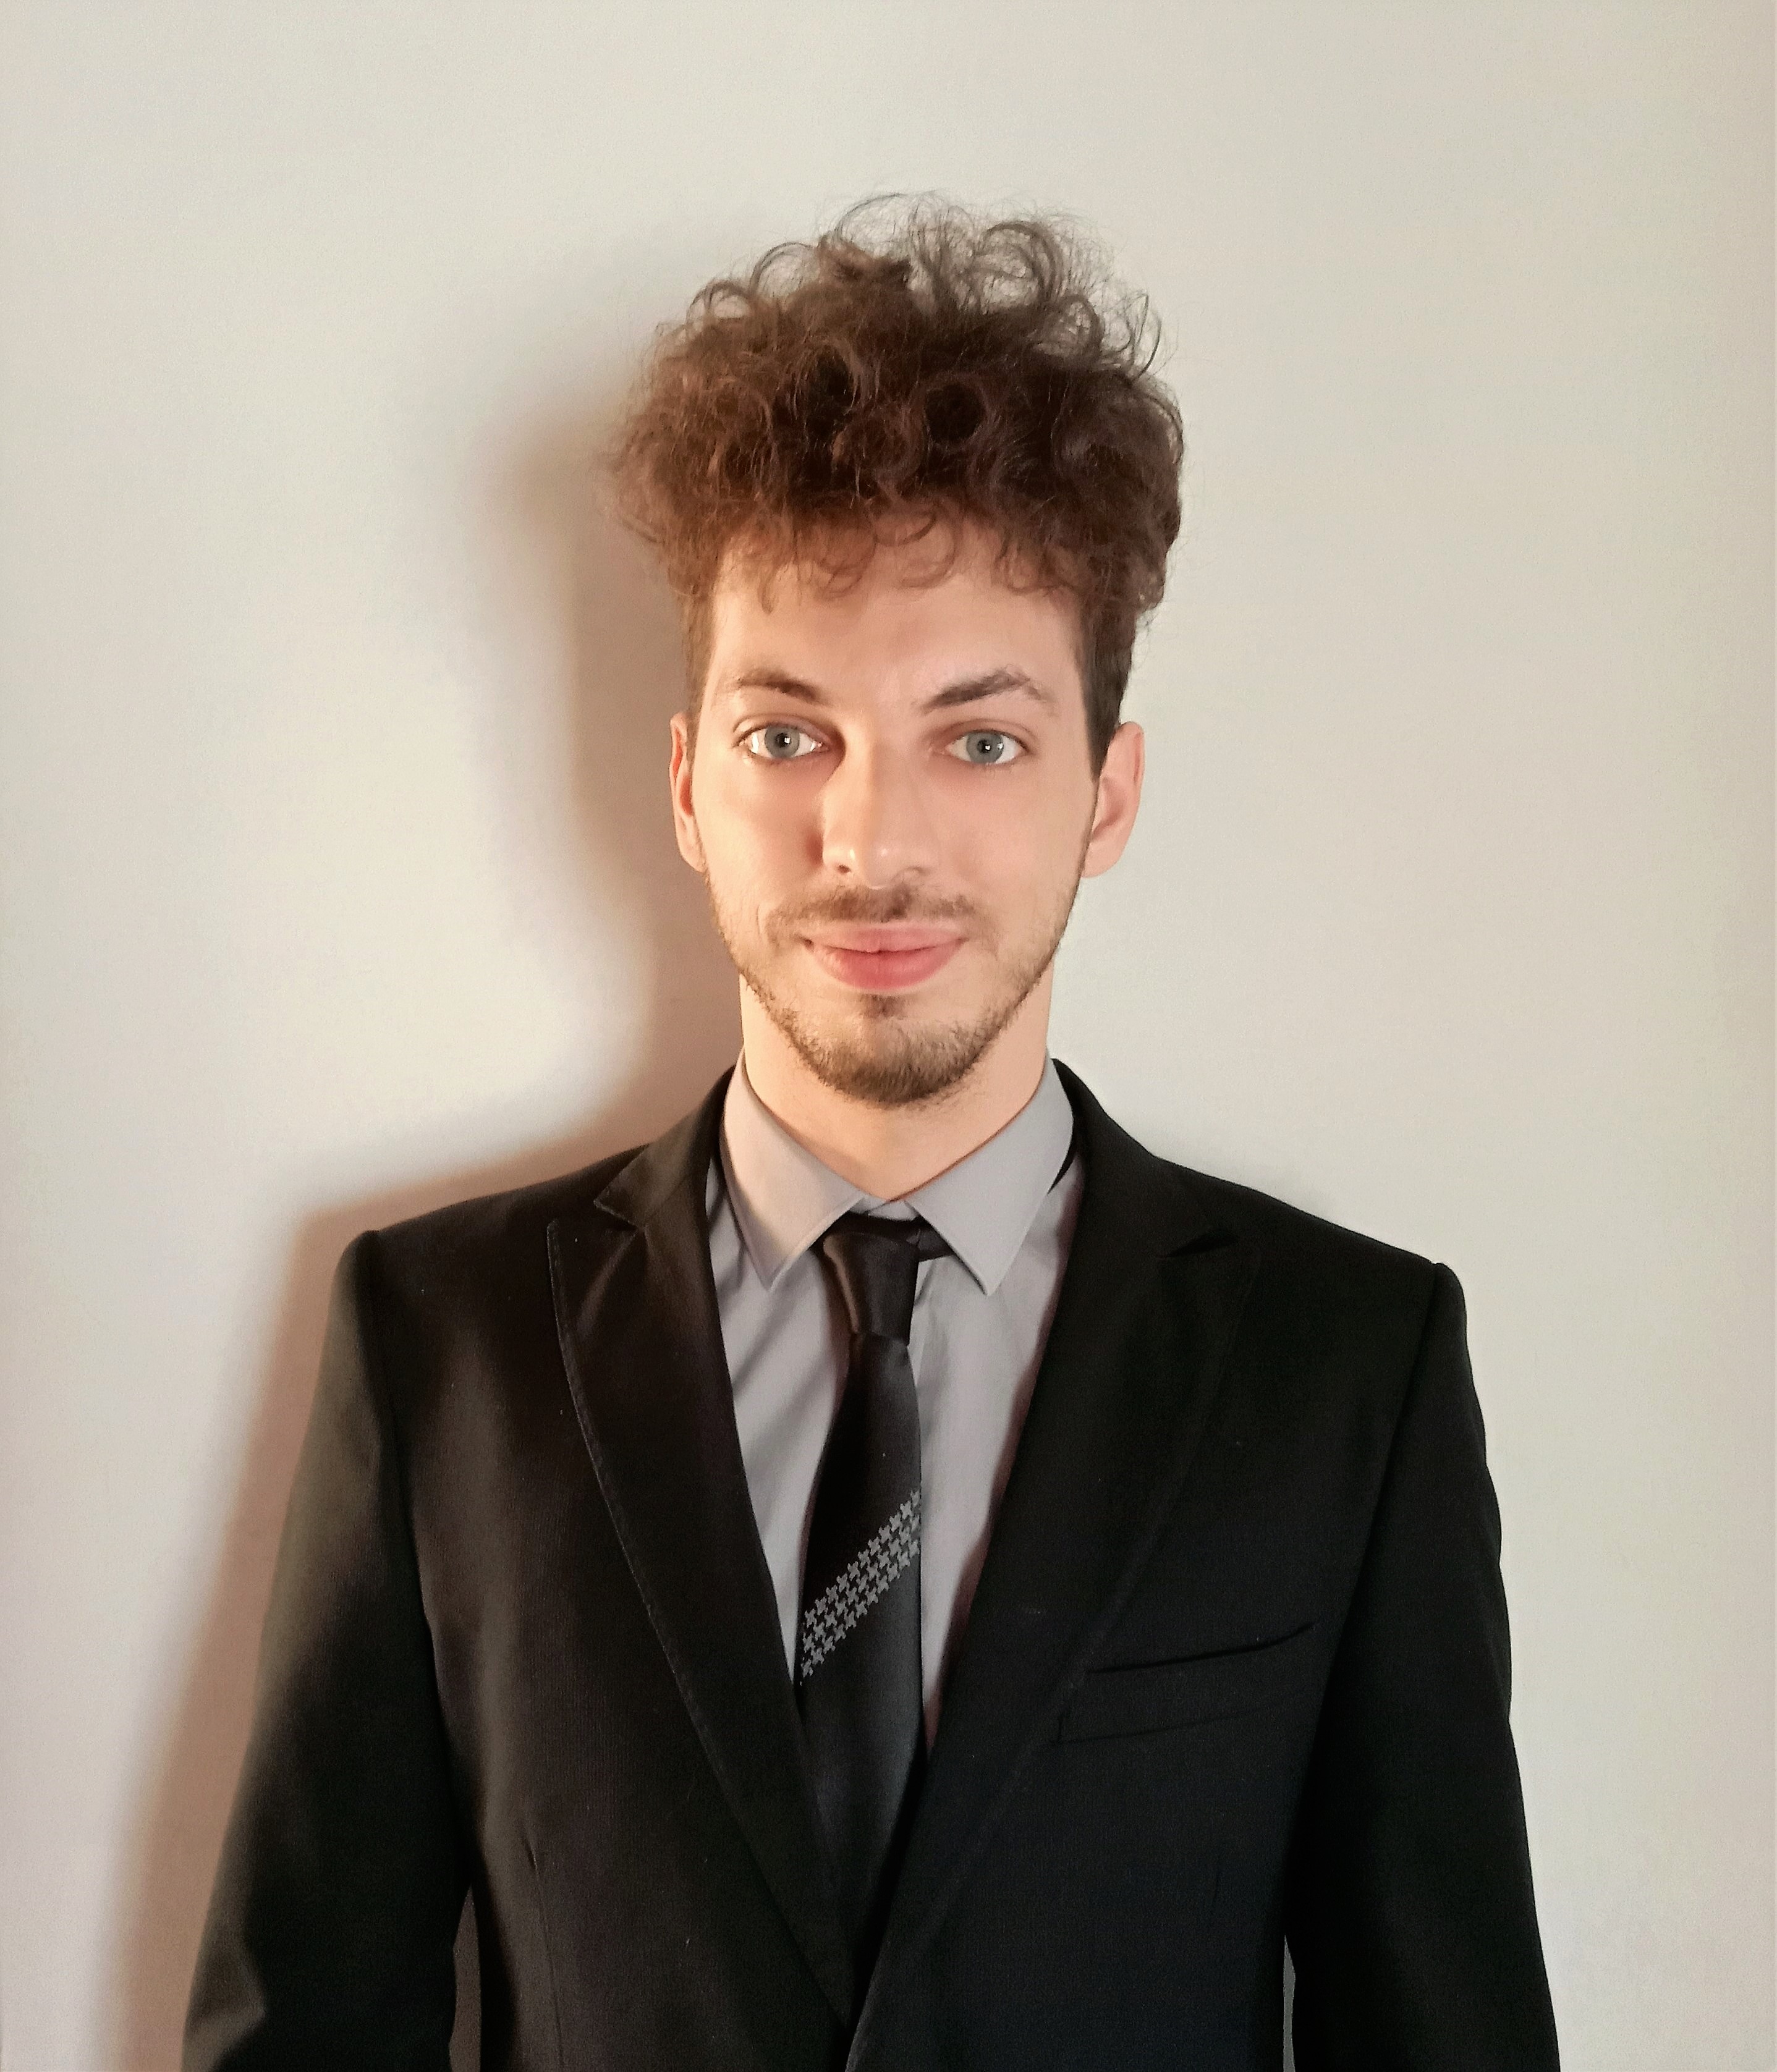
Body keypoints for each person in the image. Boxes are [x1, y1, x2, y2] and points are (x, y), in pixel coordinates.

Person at [183, 200, 1560, 2071]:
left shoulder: (1345, 1369)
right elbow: (301, 2024)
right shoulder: (442, 1339)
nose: (870, 840)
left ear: (1105, 793)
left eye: (978, 740)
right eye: (788, 736)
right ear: (690, 784)